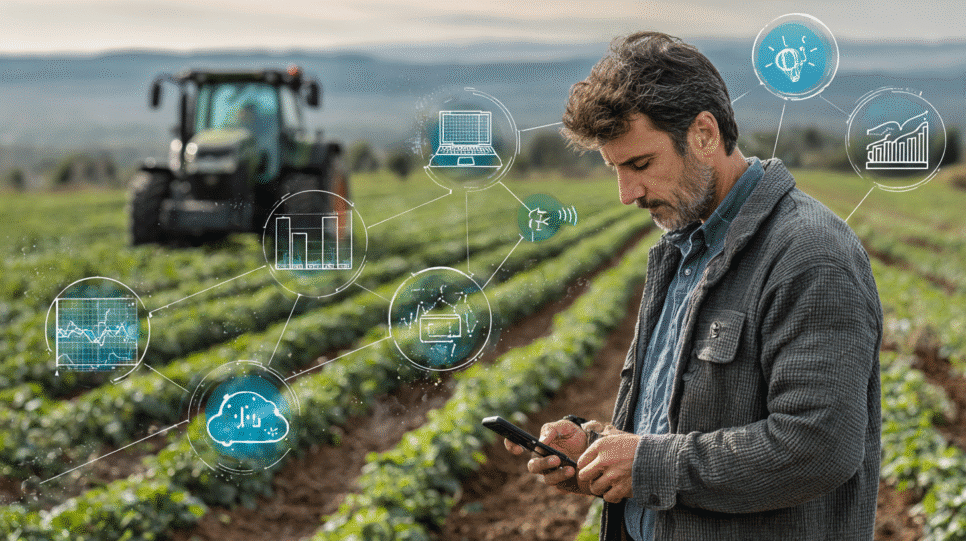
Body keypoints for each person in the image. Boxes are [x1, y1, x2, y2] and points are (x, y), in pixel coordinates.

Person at [505, 31, 883, 540]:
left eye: (640, 164)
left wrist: (647, 464)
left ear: (704, 134)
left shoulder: (809, 256)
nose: (626, 194)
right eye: (615, 169)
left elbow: (818, 446)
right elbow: (671, 427)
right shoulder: (682, 251)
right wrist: (598, 450)